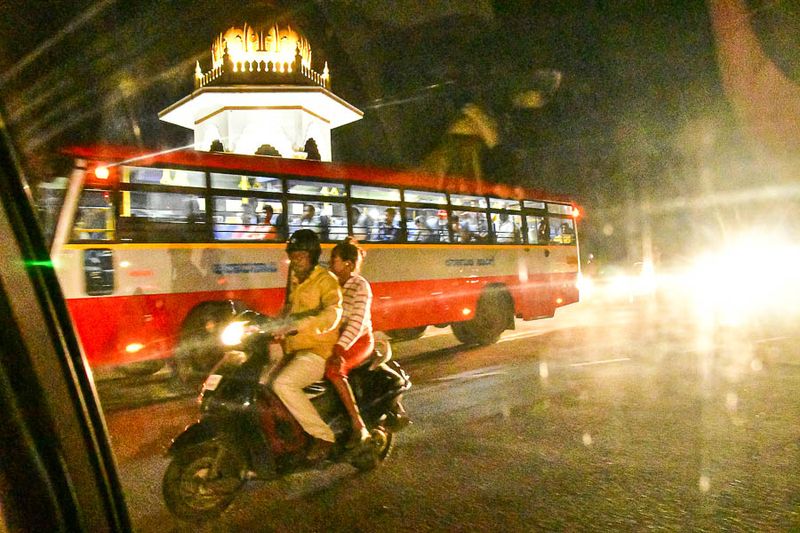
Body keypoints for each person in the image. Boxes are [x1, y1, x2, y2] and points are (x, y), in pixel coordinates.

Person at [271, 229, 343, 460]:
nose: (296, 260)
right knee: (260, 380)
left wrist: (301, 325)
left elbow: (333, 314)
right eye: (293, 255)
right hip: (293, 349)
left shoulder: (326, 280)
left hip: (317, 350)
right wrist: (270, 324)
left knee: (283, 384)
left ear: (312, 256)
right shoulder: (294, 280)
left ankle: (323, 436)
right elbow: (288, 308)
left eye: (301, 255)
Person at [326, 237, 374, 448]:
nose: (329, 263)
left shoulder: (360, 286)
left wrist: (339, 348)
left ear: (348, 263)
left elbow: (357, 321)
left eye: (333, 259)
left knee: (333, 370)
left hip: (358, 340)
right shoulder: (332, 284)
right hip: (335, 339)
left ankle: (358, 425)